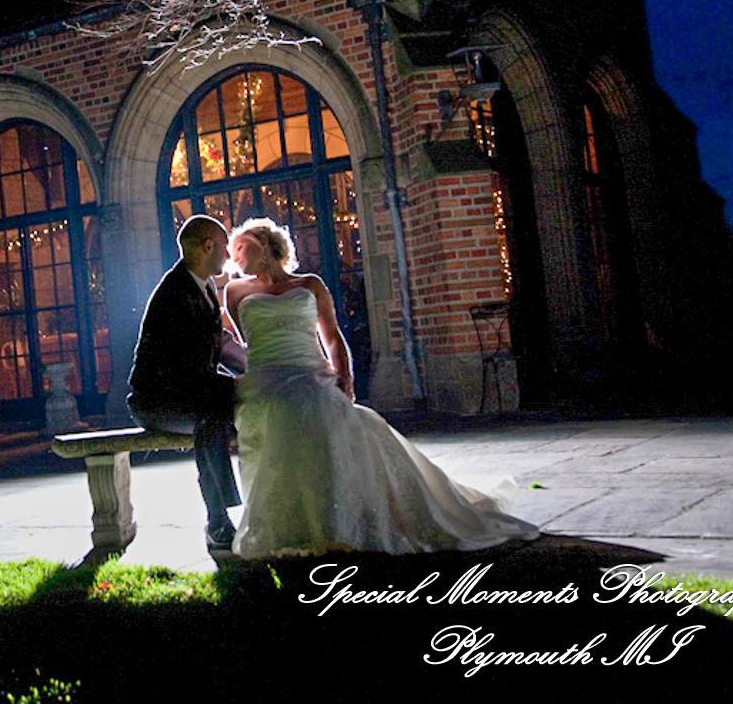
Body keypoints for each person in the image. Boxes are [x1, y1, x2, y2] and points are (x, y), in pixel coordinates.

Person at [222, 218, 540, 558]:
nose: (234, 255)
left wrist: (344, 375)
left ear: (265, 243)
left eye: (241, 245)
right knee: (287, 409)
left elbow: (332, 337)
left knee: (320, 409)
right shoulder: (234, 292)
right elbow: (249, 342)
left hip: (311, 374)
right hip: (267, 378)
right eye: (231, 250)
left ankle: (339, 518)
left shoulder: (310, 284)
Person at [128, 215, 246, 551]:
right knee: (212, 416)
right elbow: (181, 370)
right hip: (157, 401)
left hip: (194, 394)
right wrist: (234, 386)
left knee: (226, 408)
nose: (228, 255)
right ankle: (218, 519)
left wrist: (257, 369)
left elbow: (219, 344)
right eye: (224, 247)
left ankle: (241, 510)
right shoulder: (174, 293)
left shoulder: (203, 285)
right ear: (208, 246)